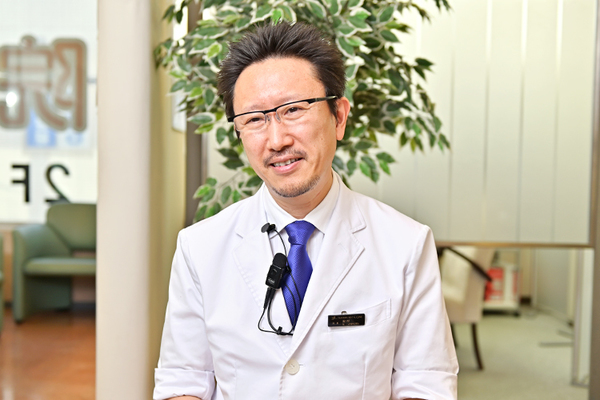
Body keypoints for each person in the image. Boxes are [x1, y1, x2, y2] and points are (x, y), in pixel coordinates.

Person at [154, 21, 458, 400]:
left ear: (339, 117)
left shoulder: (405, 244)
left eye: (294, 110)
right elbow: (183, 381)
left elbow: (425, 383)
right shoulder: (200, 247)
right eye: (254, 119)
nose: (276, 140)